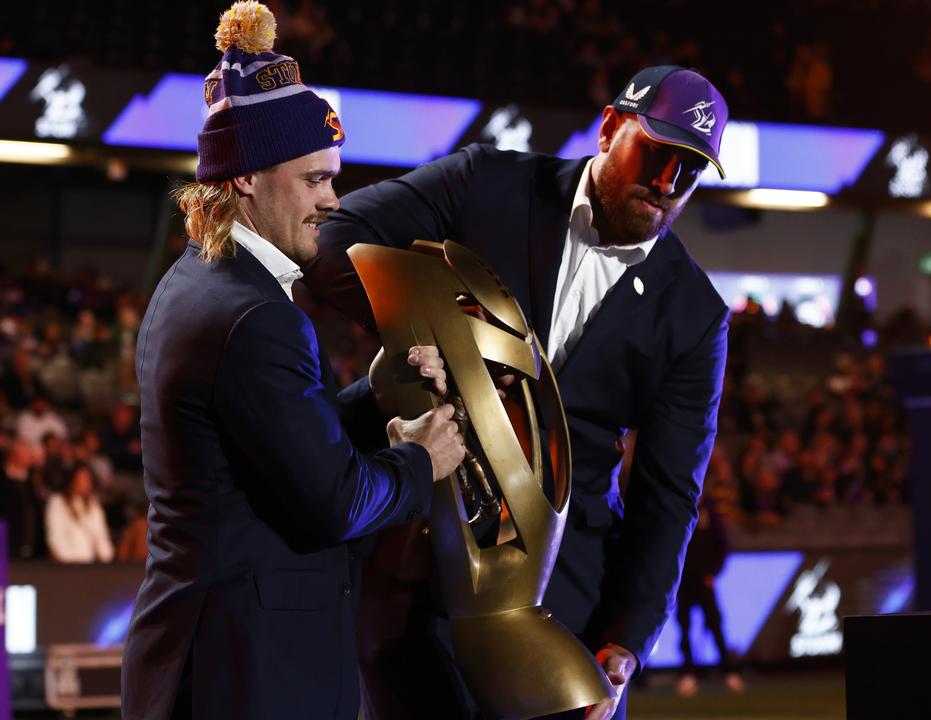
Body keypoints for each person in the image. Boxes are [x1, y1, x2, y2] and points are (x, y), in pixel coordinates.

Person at [307, 64, 731, 720]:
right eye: (658, 153)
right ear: (611, 128)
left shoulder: (695, 315)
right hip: (415, 569)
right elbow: (333, 240)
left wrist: (624, 641)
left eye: (691, 170)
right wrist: (439, 323)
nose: (669, 184)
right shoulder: (488, 182)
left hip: (561, 600)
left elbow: (668, 497)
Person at [119, 3, 466, 718]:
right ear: (246, 177)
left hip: (209, 659)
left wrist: (373, 397)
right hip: (248, 675)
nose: (331, 200)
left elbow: (268, 448)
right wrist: (421, 460)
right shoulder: (256, 316)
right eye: (315, 180)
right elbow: (333, 503)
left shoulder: (195, 283)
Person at [674, 495, 743, 697]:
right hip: (684, 581)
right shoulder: (680, 504)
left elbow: (722, 544)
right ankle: (688, 674)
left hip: (704, 580)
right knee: (684, 627)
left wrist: (713, 571)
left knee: (715, 625)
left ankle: (729, 672)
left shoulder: (710, 511)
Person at [45, 463, 113, 563]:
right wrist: (68, 560)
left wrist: (107, 558)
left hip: (90, 565)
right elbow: (55, 539)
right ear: (72, 480)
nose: (85, 483)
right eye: (81, 479)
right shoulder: (57, 502)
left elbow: (101, 537)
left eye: (87, 480)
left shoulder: (93, 505)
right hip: (66, 564)